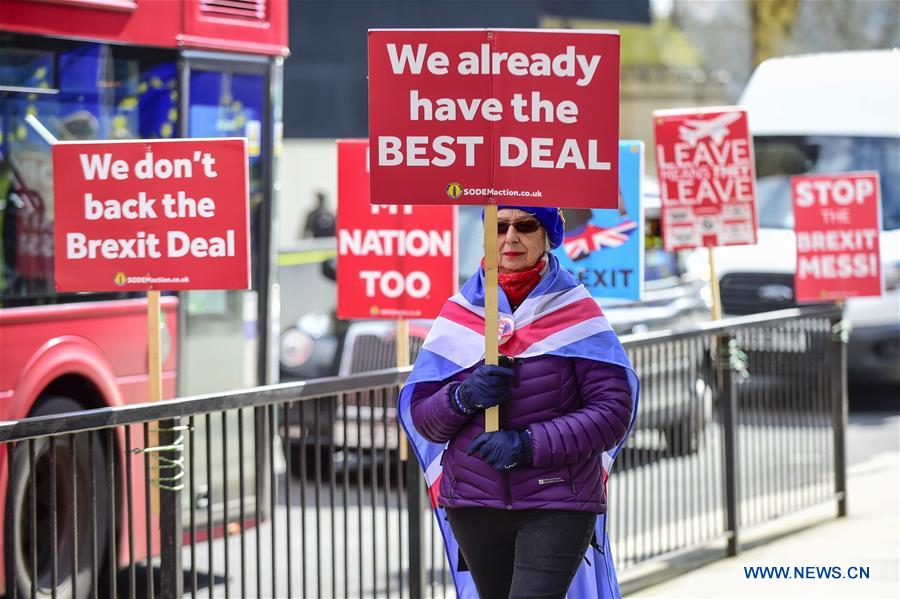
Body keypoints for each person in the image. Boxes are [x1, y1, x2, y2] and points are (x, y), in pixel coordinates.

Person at [398, 206, 639, 599]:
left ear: (548, 237)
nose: (510, 238)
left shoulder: (576, 313)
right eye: (498, 226)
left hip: (557, 499)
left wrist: (526, 444)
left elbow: (611, 414)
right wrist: (464, 397)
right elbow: (424, 420)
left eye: (525, 225)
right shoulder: (459, 313)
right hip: (474, 504)